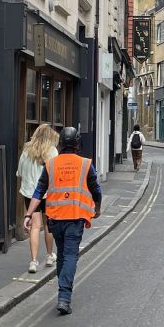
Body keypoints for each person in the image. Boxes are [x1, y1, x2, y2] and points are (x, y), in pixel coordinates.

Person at [24, 127, 101, 315]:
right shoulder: (85, 164)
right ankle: (64, 297)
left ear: (61, 144)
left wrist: (28, 214)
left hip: (55, 219)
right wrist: (97, 208)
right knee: (70, 255)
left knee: (62, 254)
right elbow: (96, 190)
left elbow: (38, 191)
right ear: (77, 143)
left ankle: (62, 291)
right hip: (75, 218)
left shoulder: (51, 165)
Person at [16, 123, 59, 273]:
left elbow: (20, 173)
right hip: (48, 194)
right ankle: (49, 256)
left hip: (30, 194)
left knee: (34, 226)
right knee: (48, 225)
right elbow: (56, 175)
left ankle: (33, 262)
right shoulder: (52, 152)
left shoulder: (27, 151)